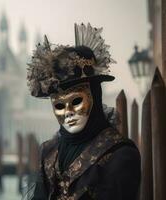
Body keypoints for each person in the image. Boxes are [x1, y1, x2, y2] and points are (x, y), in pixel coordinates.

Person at [24, 23, 141, 200]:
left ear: (94, 95)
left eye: (76, 101)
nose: (68, 113)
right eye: (59, 106)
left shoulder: (120, 154)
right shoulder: (49, 152)